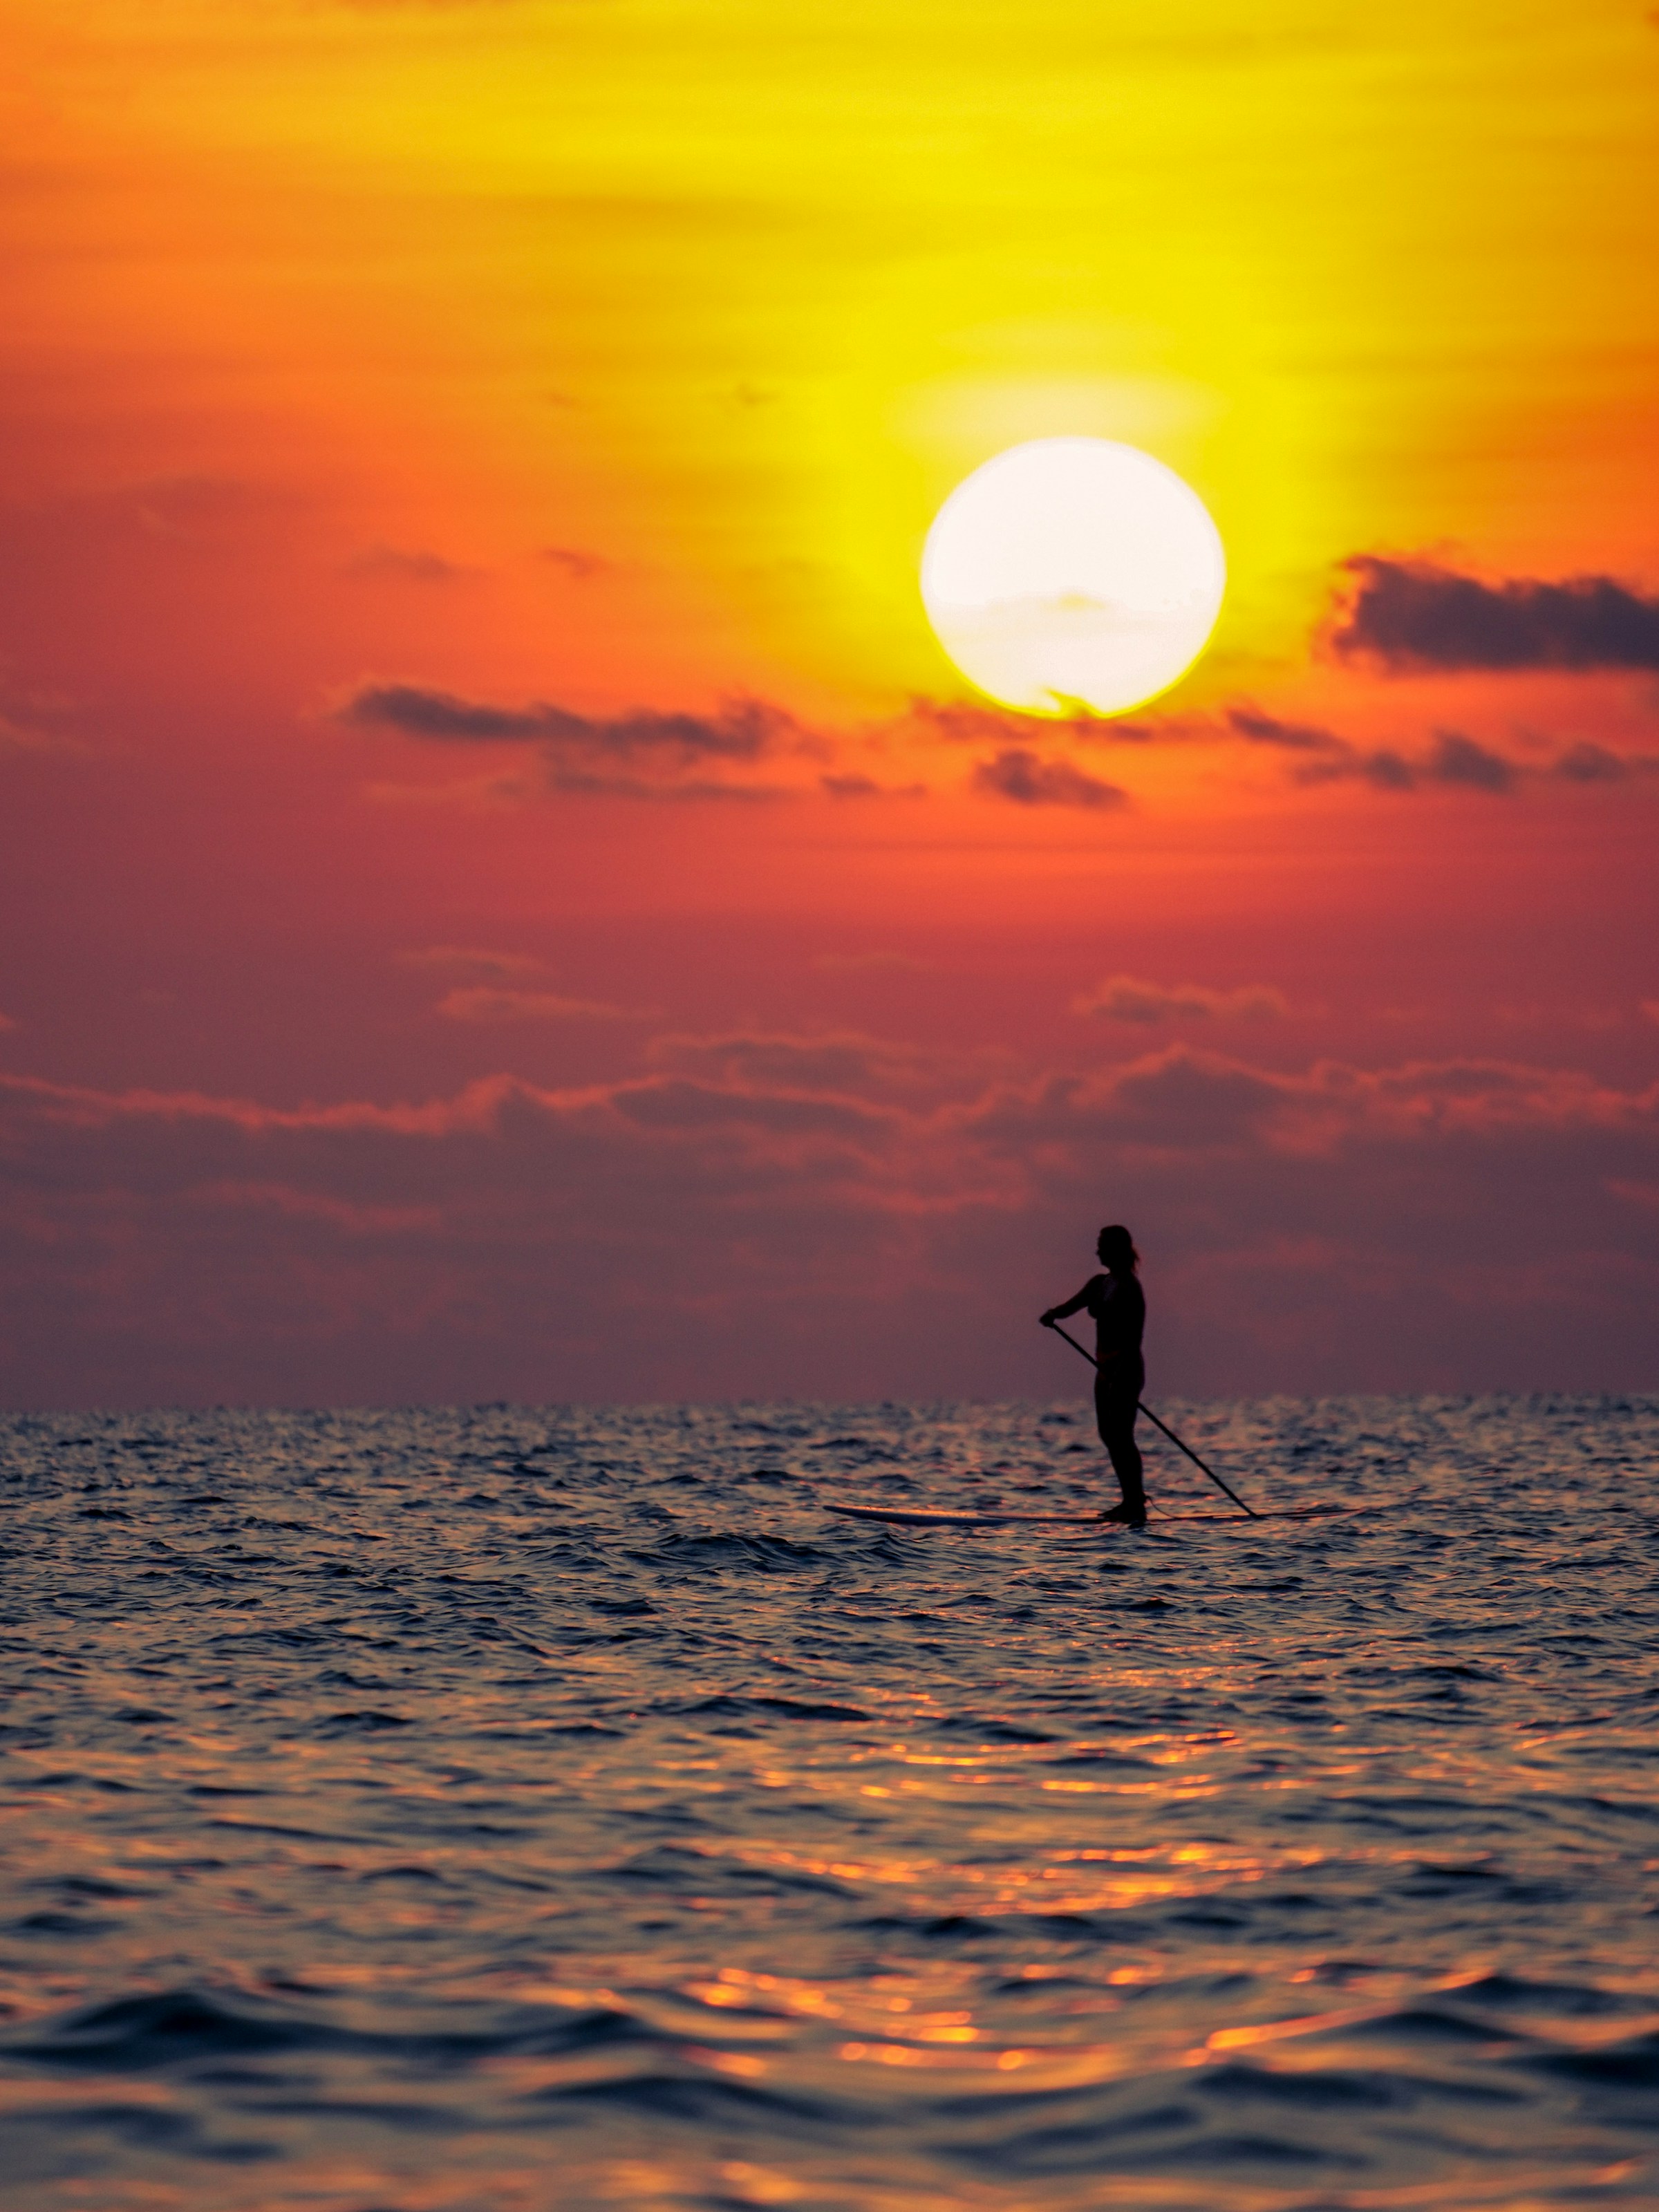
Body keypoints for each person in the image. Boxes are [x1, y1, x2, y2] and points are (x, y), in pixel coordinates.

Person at [1041, 1225, 1147, 1525]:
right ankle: (1129, 1501)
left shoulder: (1129, 1288)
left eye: (1102, 1245)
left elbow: (1134, 1338)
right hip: (1105, 1370)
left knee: (1122, 1436)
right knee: (1109, 1435)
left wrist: (1119, 1374)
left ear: (1115, 1249)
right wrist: (1052, 1315)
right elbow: (1071, 1306)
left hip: (1125, 1370)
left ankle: (1135, 1504)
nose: (1097, 1251)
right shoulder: (1100, 1284)